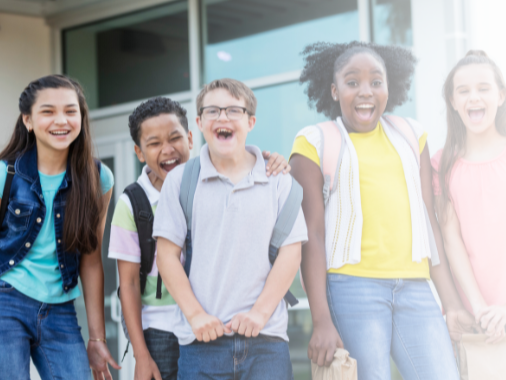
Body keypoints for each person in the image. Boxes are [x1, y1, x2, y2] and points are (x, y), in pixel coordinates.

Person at [289, 41, 469, 380]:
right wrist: (321, 319)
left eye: (376, 81)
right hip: (352, 288)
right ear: (334, 89)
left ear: (389, 86)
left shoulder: (411, 134)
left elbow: (429, 222)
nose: (365, 92)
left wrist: (453, 303)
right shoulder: (314, 141)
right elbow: (311, 234)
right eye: (352, 82)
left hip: (416, 287)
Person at [109, 95, 293, 380]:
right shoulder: (133, 203)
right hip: (161, 330)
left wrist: (267, 160)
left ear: (191, 138)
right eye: (154, 143)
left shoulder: (207, 183)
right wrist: (141, 355)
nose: (168, 150)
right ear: (139, 152)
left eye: (175, 138)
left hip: (213, 325)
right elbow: (129, 285)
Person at [153, 78, 308, 380]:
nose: (222, 117)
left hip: (267, 344)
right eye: (212, 111)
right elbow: (167, 255)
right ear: (199, 122)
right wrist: (196, 316)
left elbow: (291, 253)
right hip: (201, 344)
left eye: (233, 110)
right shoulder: (181, 181)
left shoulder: (278, 181)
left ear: (250, 121)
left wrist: (259, 314)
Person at [0, 75, 120, 380]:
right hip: (6, 300)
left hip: (61, 308)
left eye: (70, 111)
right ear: (28, 120)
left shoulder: (98, 178)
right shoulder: (5, 174)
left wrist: (97, 338)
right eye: (48, 111)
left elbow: (91, 260)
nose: (61, 121)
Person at [432, 50, 506, 344]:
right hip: (476, 319)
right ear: (453, 102)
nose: (473, 97)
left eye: (483, 88)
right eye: (463, 91)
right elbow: (451, 241)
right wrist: (480, 310)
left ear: (501, 96)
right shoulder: (442, 165)